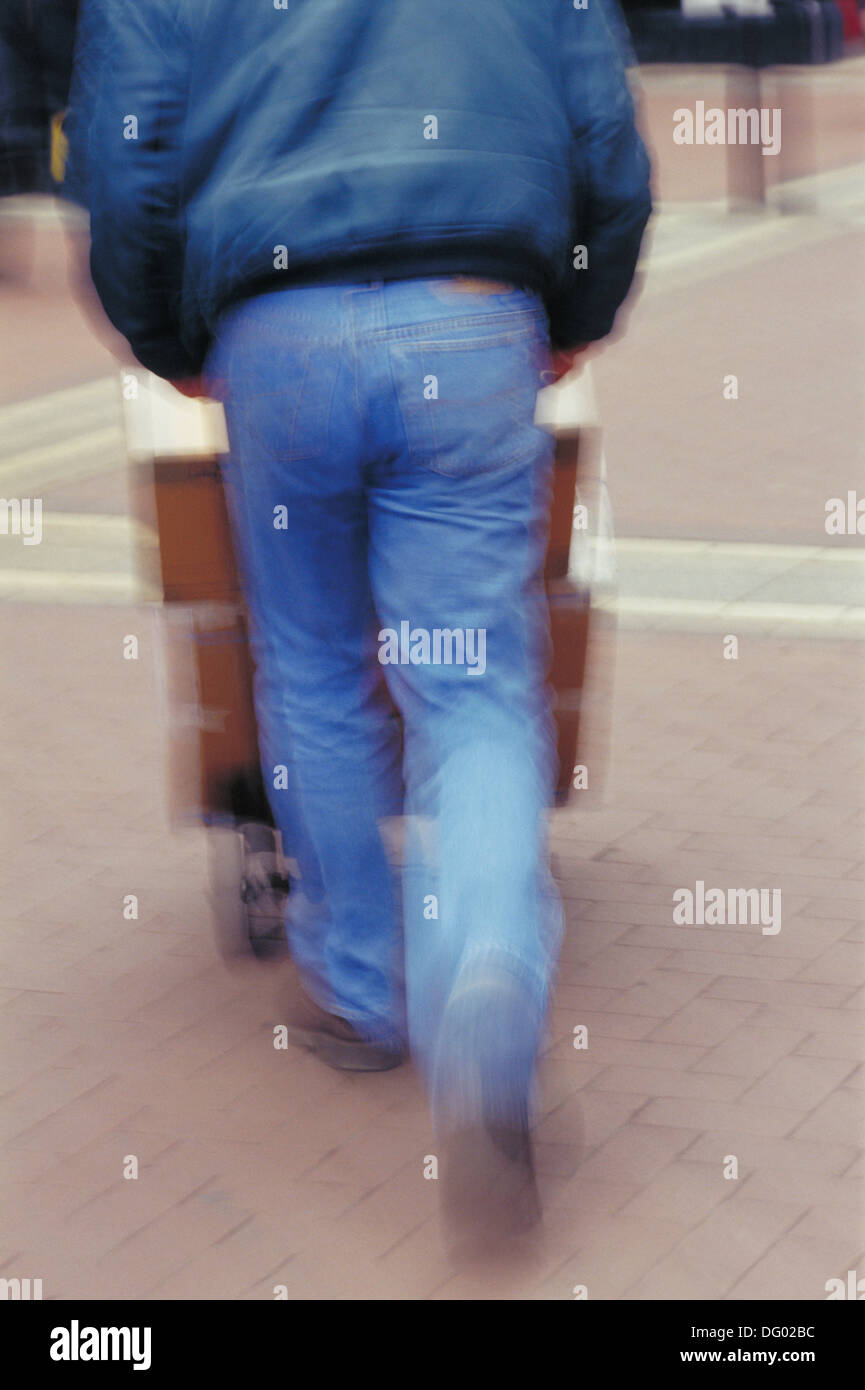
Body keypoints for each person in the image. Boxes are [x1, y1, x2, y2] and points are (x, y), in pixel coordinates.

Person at [66, 0, 651, 1245]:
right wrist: (579, 308)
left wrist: (170, 334)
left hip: (276, 322)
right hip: (472, 300)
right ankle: (484, 965)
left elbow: (126, 149)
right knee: (476, 681)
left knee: (314, 669)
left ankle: (365, 992)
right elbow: (604, 124)